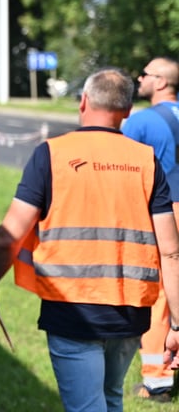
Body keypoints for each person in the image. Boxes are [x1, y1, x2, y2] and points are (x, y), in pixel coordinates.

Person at [0, 67, 179, 412]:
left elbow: (8, 235)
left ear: (83, 101)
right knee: (111, 398)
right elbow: (171, 252)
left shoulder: (51, 154)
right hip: (130, 313)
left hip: (72, 309)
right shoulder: (146, 160)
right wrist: (176, 322)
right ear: (127, 111)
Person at [121, 56, 179, 402]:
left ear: (160, 83)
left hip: (166, 212)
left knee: (160, 293)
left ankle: (157, 381)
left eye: (145, 74)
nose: (139, 78)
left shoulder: (141, 121)